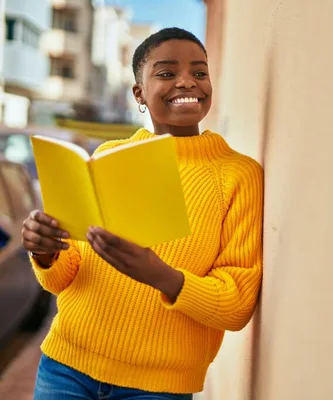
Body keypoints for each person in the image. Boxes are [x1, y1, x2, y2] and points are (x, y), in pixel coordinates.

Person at [21, 27, 263, 400]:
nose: (188, 81)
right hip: (64, 367)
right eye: (167, 73)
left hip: (159, 387)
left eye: (200, 72)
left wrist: (161, 276)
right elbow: (64, 278)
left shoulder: (237, 175)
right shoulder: (108, 158)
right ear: (139, 93)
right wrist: (46, 251)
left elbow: (236, 305)